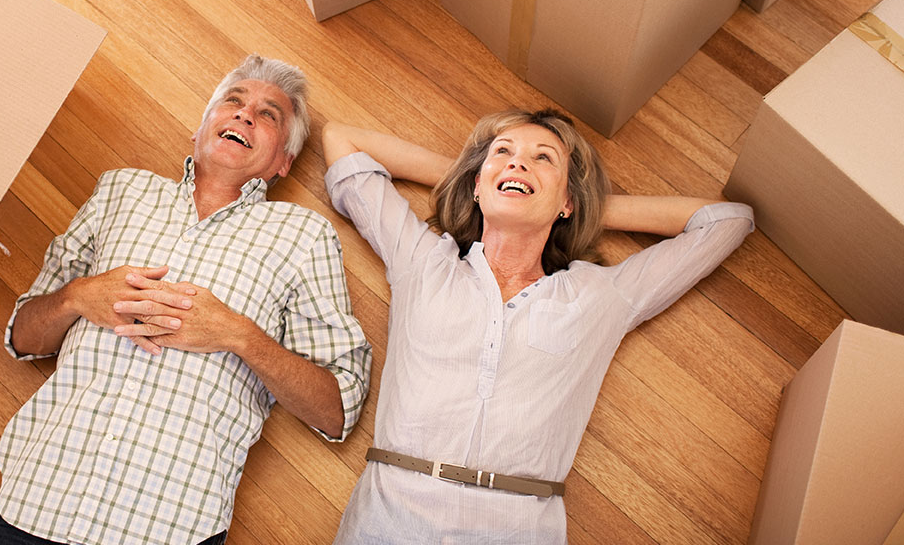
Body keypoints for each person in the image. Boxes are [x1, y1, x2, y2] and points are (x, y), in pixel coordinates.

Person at [0, 55, 371, 545]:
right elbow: (22, 338)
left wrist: (237, 335)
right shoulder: (119, 190)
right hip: (35, 506)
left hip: (168, 529)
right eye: (233, 101)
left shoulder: (304, 236)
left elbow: (336, 410)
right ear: (200, 128)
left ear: (283, 162)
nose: (245, 114)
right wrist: (78, 297)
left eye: (268, 114)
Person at [322, 109, 754, 544]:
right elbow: (341, 138)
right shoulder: (423, 261)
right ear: (476, 185)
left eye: (543, 158)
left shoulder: (599, 296)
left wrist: (572, 206)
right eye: (503, 153)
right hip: (390, 512)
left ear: (569, 202)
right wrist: (479, 181)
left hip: (518, 525)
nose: (517, 162)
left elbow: (726, 221)